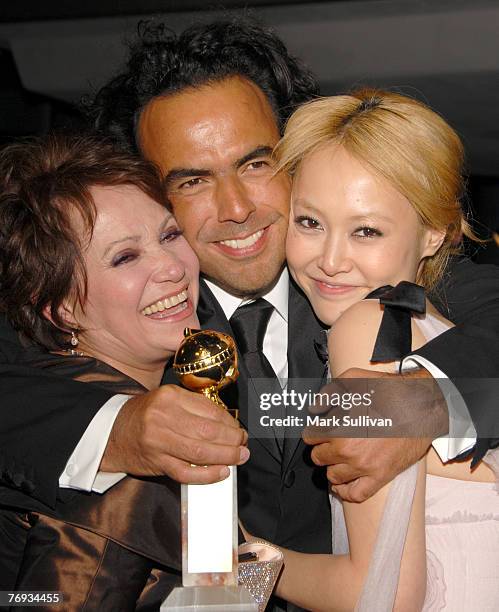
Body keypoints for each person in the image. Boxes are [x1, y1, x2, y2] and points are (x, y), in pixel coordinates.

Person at [1, 18, 499, 607]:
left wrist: (422, 404)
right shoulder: (144, 317)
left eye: (256, 164)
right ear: (150, 194)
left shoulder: (374, 272)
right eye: (192, 181)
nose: (236, 208)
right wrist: (124, 428)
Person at [264, 89, 499, 610]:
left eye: (365, 230)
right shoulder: (434, 328)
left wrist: (242, 563)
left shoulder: (371, 326)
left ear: (435, 234)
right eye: (309, 222)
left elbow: (384, 594)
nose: (330, 259)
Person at [0, 132, 204, 607]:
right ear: (62, 309)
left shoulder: (177, 376)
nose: (172, 267)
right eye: (125, 257)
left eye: (170, 234)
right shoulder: (117, 459)